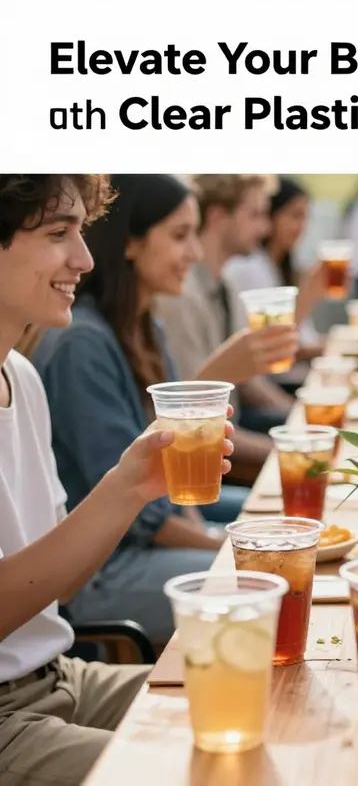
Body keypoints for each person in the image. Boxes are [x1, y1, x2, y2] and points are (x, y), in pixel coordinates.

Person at [0, 174, 234, 785]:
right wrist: (123, 491)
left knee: (255, 694)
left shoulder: (21, 379)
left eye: (82, 230)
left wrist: (132, 488)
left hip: (60, 674)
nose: (84, 258)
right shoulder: (73, 349)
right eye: (58, 234)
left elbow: (59, 586)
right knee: (203, 771)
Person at [31, 175, 255, 645]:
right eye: (179, 236)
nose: (195, 253)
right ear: (130, 243)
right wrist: (223, 544)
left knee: (278, 546)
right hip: (106, 570)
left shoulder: (143, 328)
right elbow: (143, 515)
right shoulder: (82, 346)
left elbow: (170, 487)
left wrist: (224, 536)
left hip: (147, 542)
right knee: (264, 583)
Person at [156, 174, 299, 453]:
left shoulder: (225, 285)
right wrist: (285, 451)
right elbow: (190, 415)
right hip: (204, 447)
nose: (265, 228)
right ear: (219, 217)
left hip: (235, 425)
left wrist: (297, 414)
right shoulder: (181, 297)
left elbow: (246, 381)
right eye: (255, 215)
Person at [224, 176, 326, 375]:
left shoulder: (283, 266)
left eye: (305, 217)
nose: (302, 227)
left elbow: (305, 338)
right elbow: (273, 345)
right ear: (272, 216)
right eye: (295, 216)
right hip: (280, 382)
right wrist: (310, 294)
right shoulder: (250, 267)